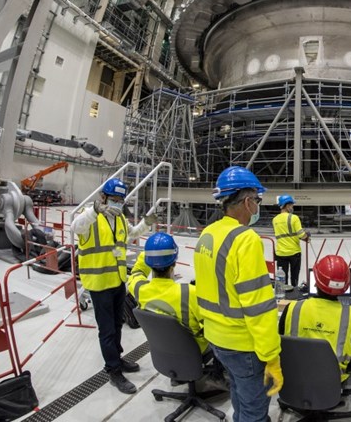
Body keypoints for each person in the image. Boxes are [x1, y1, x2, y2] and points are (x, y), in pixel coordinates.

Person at [195, 166, 281, 422]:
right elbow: (259, 306)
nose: (257, 205)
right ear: (247, 201)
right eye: (257, 199)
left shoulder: (207, 233)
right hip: (243, 344)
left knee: (238, 394)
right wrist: (271, 356)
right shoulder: (245, 239)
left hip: (216, 339)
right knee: (254, 411)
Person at [70, 177, 156, 394]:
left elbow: (132, 234)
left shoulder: (119, 220)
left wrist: (146, 223)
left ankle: (118, 358)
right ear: (103, 197)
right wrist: (94, 212)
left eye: (120, 200)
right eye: (113, 199)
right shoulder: (90, 219)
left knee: (117, 325)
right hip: (99, 284)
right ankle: (113, 371)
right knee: (107, 330)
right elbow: (75, 227)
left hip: (118, 281)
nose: (117, 203)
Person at [128, 232, 226, 391]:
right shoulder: (190, 293)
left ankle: (181, 375)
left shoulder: (140, 289)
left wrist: (149, 252)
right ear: (174, 261)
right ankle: (218, 375)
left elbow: (136, 273)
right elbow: (216, 319)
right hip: (195, 350)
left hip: (163, 349)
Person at [279, 255, 351, 382]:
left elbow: (280, 343)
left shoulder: (292, 309)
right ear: (346, 285)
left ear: (316, 281)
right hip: (333, 381)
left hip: (294, 378)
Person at [272, 195, 310, 288]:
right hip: (294, 252)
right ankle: (294, 294)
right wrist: (307, 237)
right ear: (287, 205)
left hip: (280, 253)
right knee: (294, 278)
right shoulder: (294, 218)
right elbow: (301, 234)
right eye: (291, 205)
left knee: (282, 280)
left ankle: (283, 296)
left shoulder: (275, 219)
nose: (292, 207)